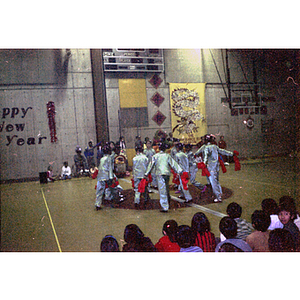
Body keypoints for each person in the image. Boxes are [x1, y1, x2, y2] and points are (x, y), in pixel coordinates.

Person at [144, 142, 183, 213]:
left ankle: (165, 207)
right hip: (167, 173)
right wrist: (179, 170)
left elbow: (150, 165)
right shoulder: (167, 155)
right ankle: (168, 198)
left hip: (159, 173)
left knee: (162, 189)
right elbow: (173, 163)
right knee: (166, 186)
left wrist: (146, 173)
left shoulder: (155, 156)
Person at [200, 134, 234, 202]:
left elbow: (206, 157)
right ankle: (220, 194)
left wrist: (203, 164)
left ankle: (218, 197)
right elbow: (223, 151)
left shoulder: (207, 148)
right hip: (216, 168)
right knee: (217, 182)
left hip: (211, 168)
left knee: (214, 183)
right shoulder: (215, 146)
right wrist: (231, 153)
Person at [94, 144, 115, 211]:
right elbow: (110, 168)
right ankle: (111, 200)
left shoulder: (102, 159)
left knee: (99, 190)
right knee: (111, 189)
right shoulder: (108, 158)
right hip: (106, 176)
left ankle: (98, 204)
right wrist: (111, 177)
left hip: (100, 176)